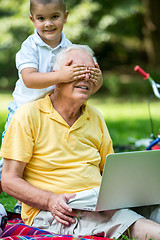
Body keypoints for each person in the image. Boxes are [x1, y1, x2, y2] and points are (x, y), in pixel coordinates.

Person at [1, 45, 160, 240]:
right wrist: (50, 200)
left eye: (91, 72)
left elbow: (108, 172)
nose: (85, 77)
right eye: (76, 71)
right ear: (57, 76)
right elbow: (9, 180)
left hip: (99, 202)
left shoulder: (95, 117)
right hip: (60, 212)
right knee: (138, 225)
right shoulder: (28, 115)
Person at [0, 0, 102, 213]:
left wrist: (97, 79)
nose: (48, 24)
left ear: (65, 16)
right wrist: (60, 75)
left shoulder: (70, 48)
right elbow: (29, 79)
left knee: (39, 160)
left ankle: (24, 204)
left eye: (54, 17)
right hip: (23, 110)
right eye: (41, 18)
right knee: (9, 164)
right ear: (32, 20)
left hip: (51, 111)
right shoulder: (29, 47)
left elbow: (87, 83)